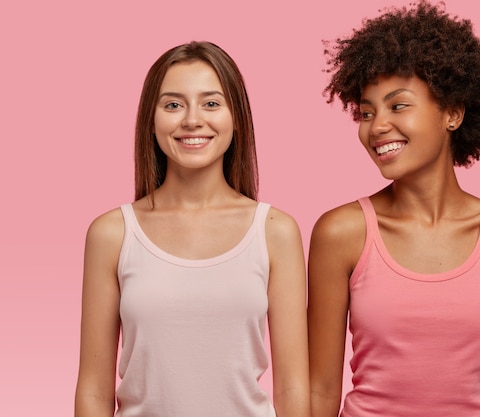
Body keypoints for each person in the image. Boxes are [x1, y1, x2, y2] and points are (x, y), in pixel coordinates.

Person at [307, 3, 480, 417]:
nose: (377, 125)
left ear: (452, 114)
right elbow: (319, 391)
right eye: (366, 112)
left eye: (398, 106)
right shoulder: (341, 232)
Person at [75, 41, 310, 417]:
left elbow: (293, 387)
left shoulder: (275, 230)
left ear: (237, 117)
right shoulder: (112, 233)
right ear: (151, 120)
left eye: (211, 103)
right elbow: (93, 390)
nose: (191, 120)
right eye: (172, 104)